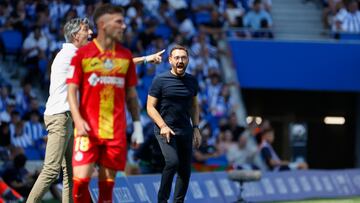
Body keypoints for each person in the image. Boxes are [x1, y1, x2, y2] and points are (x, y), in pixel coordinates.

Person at [27, 16, 164, 203]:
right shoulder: (70, 56)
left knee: (70, 175)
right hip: (60, 118)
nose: (91, 32)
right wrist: (147, 59)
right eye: (86, 29)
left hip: (68, 119)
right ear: (76, 35)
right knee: (51, 171)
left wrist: (146, 58)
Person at [66, 4, 144, 203]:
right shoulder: (82, 55)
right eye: (118, 22)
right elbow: (71, 90)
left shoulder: (125, 56)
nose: (124, 26)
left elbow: (131, 94)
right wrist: (77, 119)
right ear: (102, 24)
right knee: (81, 183)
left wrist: (137, 126)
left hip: (115, 133)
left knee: (106, 192)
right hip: (88, 131)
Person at [147, 45, 202, 203]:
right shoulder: (160, 80)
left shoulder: (192, 81)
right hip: (165, 129)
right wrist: (163, 126)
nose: (180, 61)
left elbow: (194, 106)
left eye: (183, 58)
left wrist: (196, 128)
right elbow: (150, 107)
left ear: (188, 60)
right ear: (170, 60)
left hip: (185, 130)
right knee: (172, 162)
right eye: (177, 58)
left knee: (185, 171)